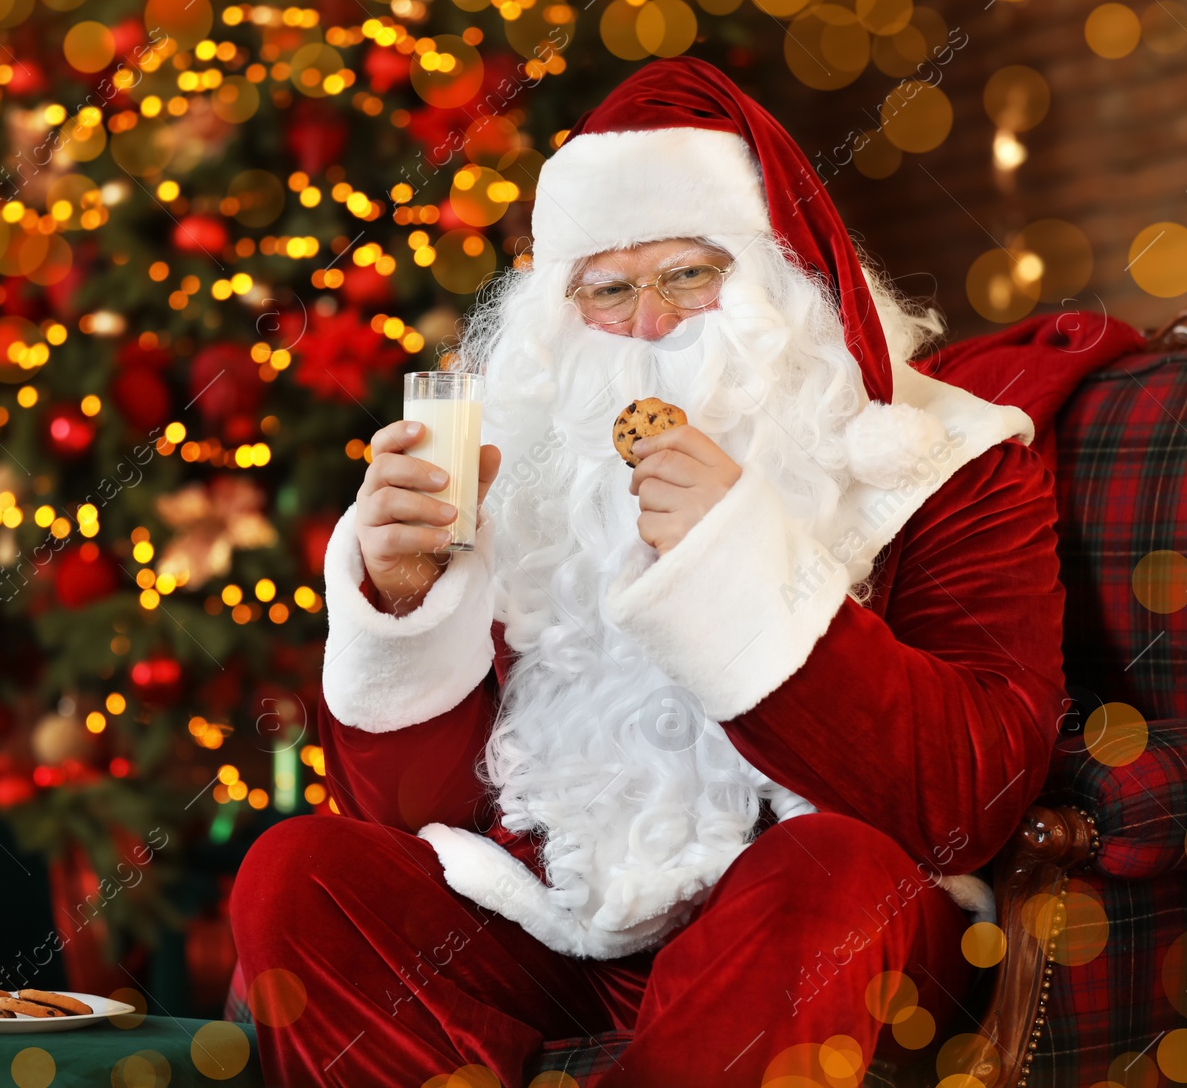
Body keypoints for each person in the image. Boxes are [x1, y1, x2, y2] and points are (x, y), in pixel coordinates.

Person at [230, 56, 1067, 1087]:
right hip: (553, 919)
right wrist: (404, 606)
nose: (647, 326)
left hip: (823, 926)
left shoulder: (946, 460)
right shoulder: (511, 466)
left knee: (829, 873)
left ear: (781, 279)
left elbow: (963, 803)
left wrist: (736, 568)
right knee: (301, 873)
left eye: (686, 275)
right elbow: (408, 814)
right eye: (606, 290)